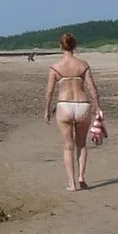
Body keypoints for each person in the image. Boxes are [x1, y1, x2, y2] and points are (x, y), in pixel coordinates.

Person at [42, 33, 103, 191]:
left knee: (68, 146)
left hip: (64, 105)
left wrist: (47, 110)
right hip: (82, 104)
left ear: (60, 46)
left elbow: (49, 91)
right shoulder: (83, 65)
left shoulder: (56, 67)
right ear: (74, 46)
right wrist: (98, 107)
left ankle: (72, 183)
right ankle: (82, 176)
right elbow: (92, 87)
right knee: (81, 144)